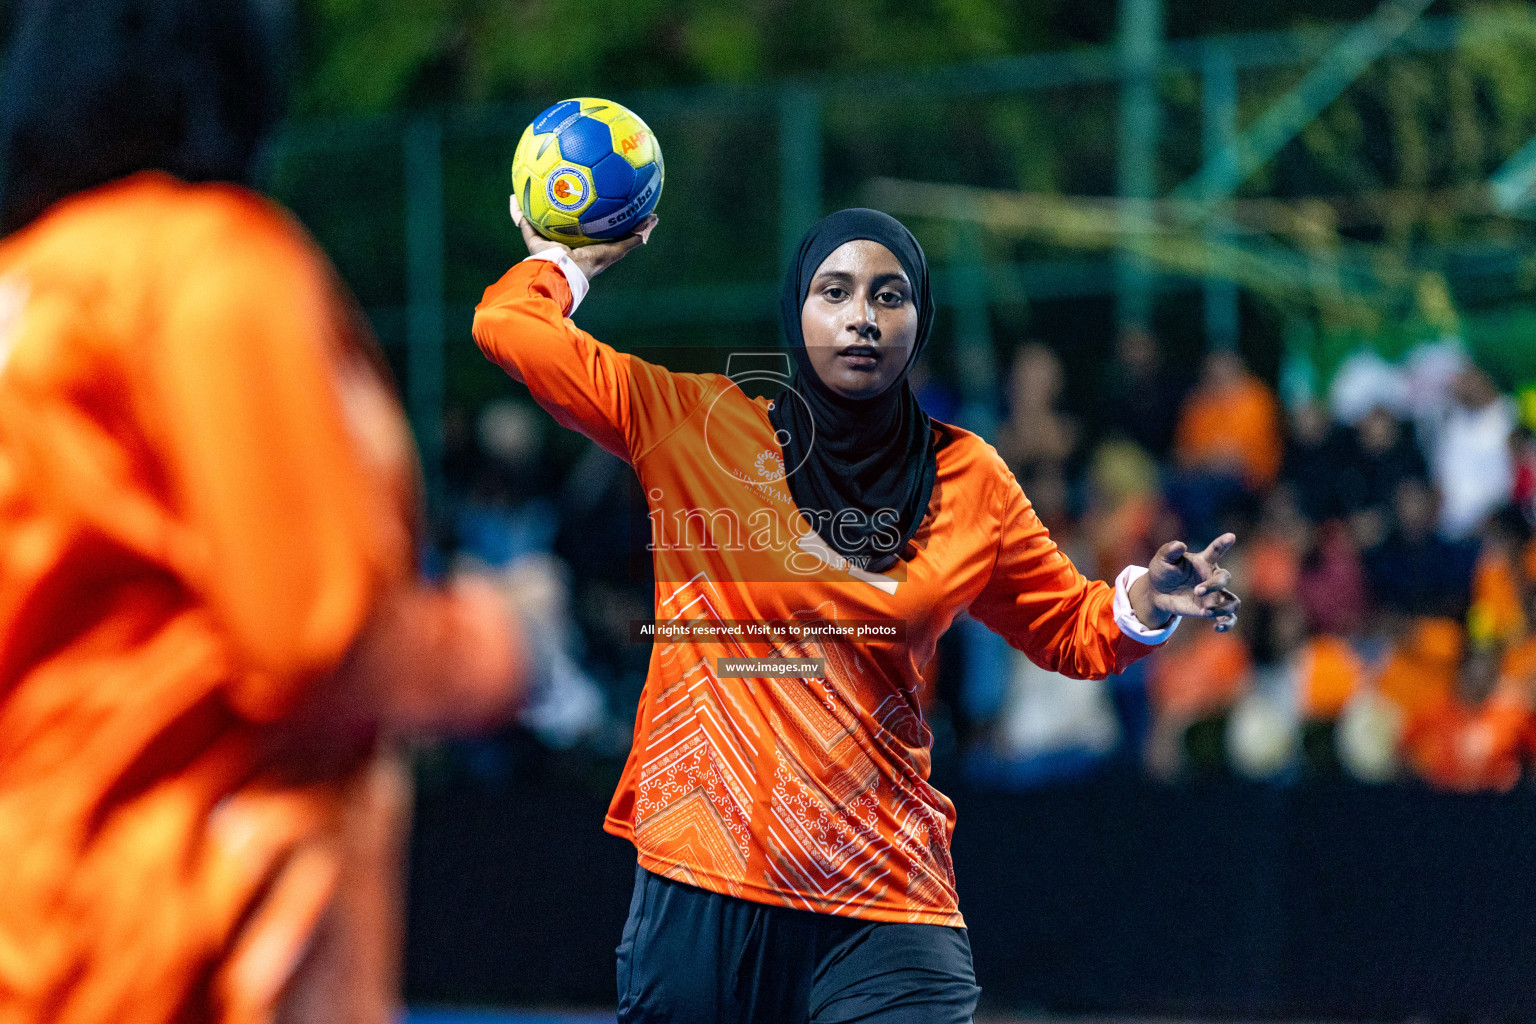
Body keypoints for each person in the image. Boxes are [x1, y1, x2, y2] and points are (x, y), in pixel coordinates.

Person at [473, 201, 1241, 1023]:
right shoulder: (700, 428)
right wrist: (573, 262)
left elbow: (1068, 627)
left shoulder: (967, 478)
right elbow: (511, 326)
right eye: (834, 292)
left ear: (921, 320)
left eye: (888, 295)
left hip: (884, 893)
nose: (861, 318)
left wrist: (1142, 600)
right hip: (705, 880)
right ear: (795, 312)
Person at [0, 2, 531, 1022]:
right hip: (170, 946)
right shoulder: (203, 269)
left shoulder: (33, 290)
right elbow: (316, 642)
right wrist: (502, 646)